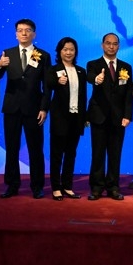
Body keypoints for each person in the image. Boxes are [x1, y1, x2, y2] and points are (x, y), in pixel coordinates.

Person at [0, 19, 52, 199]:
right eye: (20, 30)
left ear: (34, 34)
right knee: (11, 148)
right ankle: (12, 185)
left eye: (27, 30)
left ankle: (37, 186)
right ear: (16, 34)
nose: (24, 33)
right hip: (12, 108)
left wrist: (44, 108)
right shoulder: (8, 53)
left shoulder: (43, 56)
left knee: (36, 149)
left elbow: (47, 86)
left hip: (34, 109)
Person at [85, 33, 133, 201]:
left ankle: (113, 187)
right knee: (97, 154)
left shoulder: (126, 67)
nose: (111, 46)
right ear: (102, 45)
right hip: (99, 116)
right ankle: (96, 187)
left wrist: (127, 115)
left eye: (114, 44)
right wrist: (96, 79)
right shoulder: (93, 64)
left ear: (118, 46)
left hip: (118, 118)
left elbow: (128, 93)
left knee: (115, 154)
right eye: (108, 43)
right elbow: (90, 77)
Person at [47, 37, 88, 201]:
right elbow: (47, 85)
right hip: (60, 118)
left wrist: (85, 117)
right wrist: (57, 82)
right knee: (57, 154)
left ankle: (67, 186)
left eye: (71, 49)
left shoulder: (81, 71)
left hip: (76, 118)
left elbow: (83, 96)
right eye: (65, 49)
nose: (68, 52)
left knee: (71, 154)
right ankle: (56, 188)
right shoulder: (53, 69)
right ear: (59, 51)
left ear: (75, 52)